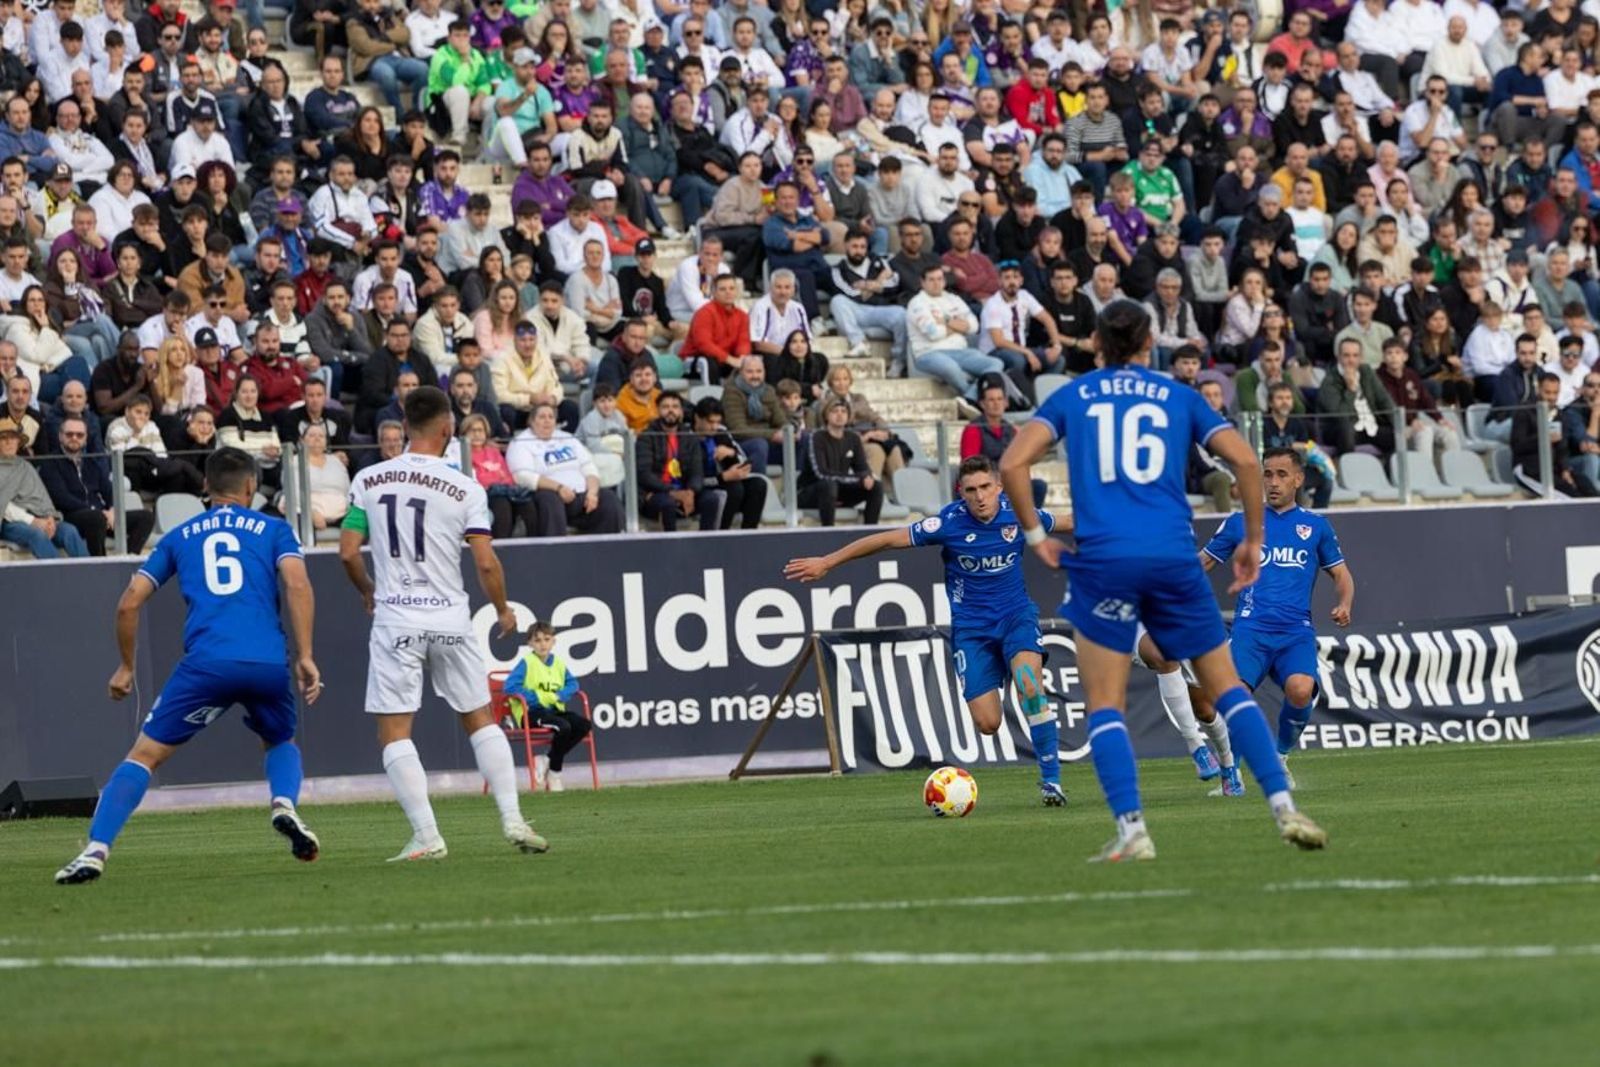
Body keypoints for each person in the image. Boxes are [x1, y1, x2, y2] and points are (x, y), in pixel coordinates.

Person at [999, 298, 1327, 861]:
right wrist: (1252, 539)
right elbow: (1247, 462)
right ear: (1150, 344)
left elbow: (1011, 464)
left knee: (1105, 704)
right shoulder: (1179, 396)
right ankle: (1281, 805)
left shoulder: (1073, 396)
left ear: (1098, 345)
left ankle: (1133, 830)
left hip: (1105, 561)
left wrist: (1035, 537)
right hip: (1174, 557)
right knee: (1227, 690)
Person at [54, 448, 319, 884]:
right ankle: (284, 805)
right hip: (266, 662)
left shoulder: (180, 535)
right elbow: (297, 583)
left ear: (205, 488)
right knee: (279, 739)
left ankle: (95, 849)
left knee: (143, 756)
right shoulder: (275, 529)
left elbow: (128, 603)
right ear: (251, 486)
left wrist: (125, 667)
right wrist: (306, 655)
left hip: (208, 665)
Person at [338, 386, 549, 862]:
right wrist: (501, 609)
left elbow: (348, 552)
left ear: (405, 426)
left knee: (394, 732)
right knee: (480, 719)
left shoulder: (369, 479)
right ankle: (513, 818)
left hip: (396, 620)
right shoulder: (466, 488)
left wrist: (367, 590)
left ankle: (427, 834)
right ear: (448, 429)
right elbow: (486, 563)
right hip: (451, 619)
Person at [786, 454, 1064, 805]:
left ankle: (1051, 783)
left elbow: (1068, 522)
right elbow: (887, 540)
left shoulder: (1020, 515)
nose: (979, 497)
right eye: (970, 490)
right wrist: (827, 562)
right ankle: (1004, 681)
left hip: (1016, 617)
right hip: (971, 630)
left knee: (1029, 685)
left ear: (999, 487)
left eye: (985, 488)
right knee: (988, 723)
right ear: (960, 492)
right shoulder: (949, 523)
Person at [1200, 448, 1355, 783]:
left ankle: (1281, 757)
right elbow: (1204, 562)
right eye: (1267, 474)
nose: (1273, 482)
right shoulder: (1241, 522)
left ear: (1298, 480)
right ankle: (1232, 774)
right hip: (1250, 630)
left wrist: (1344, 604)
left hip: (1295, 632)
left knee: (1300, 690)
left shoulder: (1315, 526)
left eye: (1282, 475)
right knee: (1233, 698)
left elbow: (1342, 575)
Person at [505, 401, 624, 536]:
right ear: (531, 422)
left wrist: (592, 492)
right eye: (542, 417)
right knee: (549, 500)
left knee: (609, 499)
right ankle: (555, 551)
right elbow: (522, 476)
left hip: (582, 494)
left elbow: (588, 467)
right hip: (550, 493)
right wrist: (558, 488)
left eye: (551, 417)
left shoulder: (567, 437)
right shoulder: (520, 442)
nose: (547, 421)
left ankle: (609, 549)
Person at [502, 621, 594, 792]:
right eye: (537, 640)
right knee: (563, 727)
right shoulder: (527, 663)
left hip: (554, 711)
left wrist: (561, 695)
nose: (542, 644)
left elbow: (573, 684)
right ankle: (555, 774)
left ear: (553, 641)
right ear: (529, 643)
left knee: (584, 725)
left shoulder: (558, 663)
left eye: (546, 639)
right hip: (531, 713)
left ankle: (547, 760)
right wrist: (536, 697)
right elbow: (509, 688)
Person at [636, 390, 721, 531]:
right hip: (655, 494)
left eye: (675, 407)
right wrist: (672, 492)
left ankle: (706, 546)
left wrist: (690, 492)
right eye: (666, 407)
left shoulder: (689, 437)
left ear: (681, 411)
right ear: (658, 410)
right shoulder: (647, 436)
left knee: (711, 499)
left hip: (684, 492)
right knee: (667, 504)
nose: (671, 411)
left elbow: (697, 472)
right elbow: (644, 474)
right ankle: (671, 549)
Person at [797, 396, 884, 526]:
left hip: (839, 489)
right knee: (829, 485)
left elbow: (862, 468)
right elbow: (821, 473)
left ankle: (870, 534)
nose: (839, 415)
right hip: (812, 491)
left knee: (876, 486)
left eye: (843, 411)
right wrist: (859, 478)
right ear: (826, 415)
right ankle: (829, 532)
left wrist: (866, 477)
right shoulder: (816, 437)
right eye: (835, 411)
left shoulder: (853, 438)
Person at [692, 396, 766, 530]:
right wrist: (723, 477)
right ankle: (722, 534)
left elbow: (743, 459)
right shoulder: (688, 438)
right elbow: (693, 479)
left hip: (724, 480)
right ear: (697, 418)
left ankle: (749, 535)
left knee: (758, 485)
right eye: (710, 422)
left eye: (717, 422)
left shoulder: (721, 432)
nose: (714, 427)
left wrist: (731, 453)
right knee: (734, 489)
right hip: (702, 487)